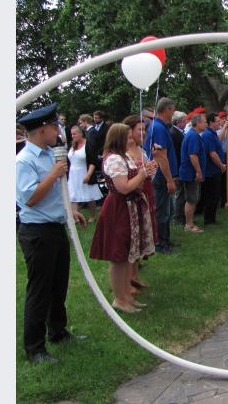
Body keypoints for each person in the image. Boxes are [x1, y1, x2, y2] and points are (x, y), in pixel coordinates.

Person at [16, 103, 87, 364]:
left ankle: (57, 331)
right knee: (40, 290)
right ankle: (35, 349)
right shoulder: (24, 160)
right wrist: (53, 175)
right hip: (37, 233)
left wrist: (69, 211)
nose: (58, 130)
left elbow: (58, 192)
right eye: (54, 126)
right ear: (43, 129)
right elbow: (29, 198)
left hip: (56, 226)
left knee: (58, 285)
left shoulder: (49, 154)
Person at [90, 124, 158, 313]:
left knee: (129, 254)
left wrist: (147, 171)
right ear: (118, 138)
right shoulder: (113, 159)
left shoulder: (123, 156)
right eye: (128, 137)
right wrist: (142, 174)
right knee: (118, 255)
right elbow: (124, 187)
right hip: (119, 208)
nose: (131, 140)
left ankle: (127, 294)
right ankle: (119, 299)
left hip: (130, 206)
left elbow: (135, 181)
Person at [123, 115, 159, 293]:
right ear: (129, 130)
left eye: (144, 129)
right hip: (131, 196)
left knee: (140, 235)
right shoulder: (122, 152)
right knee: (131, 237)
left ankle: (135, 276)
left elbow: (147, 174)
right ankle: (127, 280)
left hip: (144, 193)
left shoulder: (141, 149)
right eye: (140, 129)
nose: (143, 132)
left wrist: (152, 166)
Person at [143, 98, 178, 253]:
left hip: (160, 174)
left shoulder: (158, 126)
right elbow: (161, 156)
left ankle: (166, 240)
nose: (174, 113)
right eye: (173, 110)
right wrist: (169, 180)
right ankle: (160, 243)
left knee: (166, 210)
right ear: (167, 110)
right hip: (160, 175)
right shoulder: (159, 128)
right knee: (162, 211)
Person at [66, 125, 101, 223]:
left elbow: (93, 162)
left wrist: (88, 175)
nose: (73, 136)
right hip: (73, 174)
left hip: (85, 172)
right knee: (73, 195)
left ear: (81, 134)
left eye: (75, 134)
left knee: (90, 195)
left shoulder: (88, 144)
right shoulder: (72, 145)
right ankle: (75, 217)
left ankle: (92, 216)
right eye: (72, 134)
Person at [180, 113, 208, 233]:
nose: (206, 124)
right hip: (191, 173)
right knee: (192, 199)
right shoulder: (193, 136)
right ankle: (189, 225)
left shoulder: (194, 135)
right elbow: (193, 155)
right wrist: (198, 171)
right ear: (197, 123)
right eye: (205, 122)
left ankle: (190, 222)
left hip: (191, 172)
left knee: (193, 198)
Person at [201, 112, 227, 225]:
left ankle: (211, 218)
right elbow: (212, 153)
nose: (220, 123)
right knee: (212, 195)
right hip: (211, 171)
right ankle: (209, 219)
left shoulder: (213, 133)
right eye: (217, 121)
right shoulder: (208, 135)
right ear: (211, 123)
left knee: (215, 195)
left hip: (214, 170)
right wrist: (221, 165)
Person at [170, 111, 187, 224]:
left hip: (180, 167)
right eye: (185, 121)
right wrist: (175, 173)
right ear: (179, 122)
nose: (186, 123)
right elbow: (175, 153)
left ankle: (180, 215)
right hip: (179, 167)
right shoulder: (174, 133)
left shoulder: (178, 132)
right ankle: (178, 217)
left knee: (181, 192)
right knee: (180, 193)